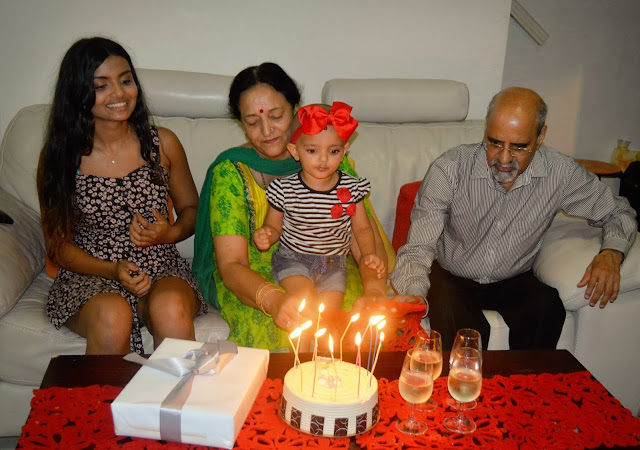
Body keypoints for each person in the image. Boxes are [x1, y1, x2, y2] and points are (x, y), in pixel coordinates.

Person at [390, 87, 637, 350]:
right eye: (495, 142)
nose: (504, 158)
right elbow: (418, 249)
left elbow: (618, 211)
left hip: (513, 279)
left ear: (540, 137)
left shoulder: (561, 173)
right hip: (452, 276)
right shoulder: (449, 169)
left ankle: (529, 377)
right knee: (456, 321)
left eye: (519, 147)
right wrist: (414, 295)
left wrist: (612, 253)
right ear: (486, 130)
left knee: (548, 308)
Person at [193, 63, 389, 351]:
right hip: (255, 281)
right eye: (252, 122)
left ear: (295, 110)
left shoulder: (325, 154)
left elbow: (362, 236)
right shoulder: (231, 171)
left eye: (276, 116)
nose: (266, 131)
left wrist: (374, 290)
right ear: (241, 123)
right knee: (287, 334)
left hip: (330, 267)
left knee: (351, 329)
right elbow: (232, 264)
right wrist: (274, 300)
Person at [38, 37, 207, 355]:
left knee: (170, 307)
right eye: (101, 86)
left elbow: (191, 209)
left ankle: (180, 388)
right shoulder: (60, 156)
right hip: (91, 273)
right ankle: (103, 391)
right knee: (112, 316)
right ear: (78, 93)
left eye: (126, 81)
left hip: (160, 266)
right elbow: (58, 247)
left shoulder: (163, 143)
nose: (119, 93)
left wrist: (170, 233)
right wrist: (113, 269)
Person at [253, 102, 386, 314]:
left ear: (344, 151)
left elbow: (362, 229)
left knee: (329, 316)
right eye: (312, 150)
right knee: (306, 304)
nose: (323, 159)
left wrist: (369, 253)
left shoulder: (352, 189)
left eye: (333, 151)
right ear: (295, 151)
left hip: (334, 266)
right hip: (294, 260)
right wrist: (267, 234)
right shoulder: (284, 188)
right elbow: (274, 227)